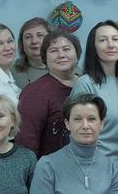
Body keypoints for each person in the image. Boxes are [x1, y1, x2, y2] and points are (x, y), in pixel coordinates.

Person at [71, 21, 118, 165]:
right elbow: (79, 132)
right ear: (93, 47)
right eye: (103, 40)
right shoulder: (86, 83)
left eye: (115, 39)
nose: (111, 45)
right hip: (99, 166)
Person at [16, 30, 80, 158]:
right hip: (51, 168)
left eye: (66, 49)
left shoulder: (87, 84)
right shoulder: (34, 93)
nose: (61, 55)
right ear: (45, 58)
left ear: (77, 54)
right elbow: (26, 143)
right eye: (53, 51)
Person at [12, 17, 50, 89]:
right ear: (22, 45)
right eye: (28, 37)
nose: (34, 41)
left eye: (40, 35)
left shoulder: (67, 68)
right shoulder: (11, 72)